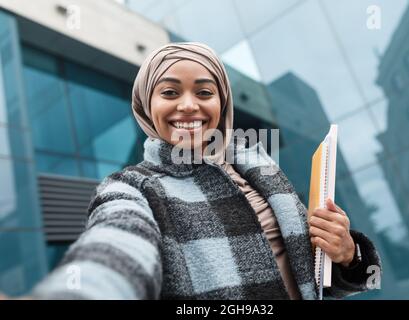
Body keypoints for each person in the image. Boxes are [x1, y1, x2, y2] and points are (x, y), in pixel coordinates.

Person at [28, 42, 381, 300]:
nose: (187, 105)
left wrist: (348, 254)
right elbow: (117, 248)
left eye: (204, 91)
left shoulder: (262, 169)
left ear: (221, 103)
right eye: (169, 92)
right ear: (147, 108)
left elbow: (312, 280)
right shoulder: (131, 187)